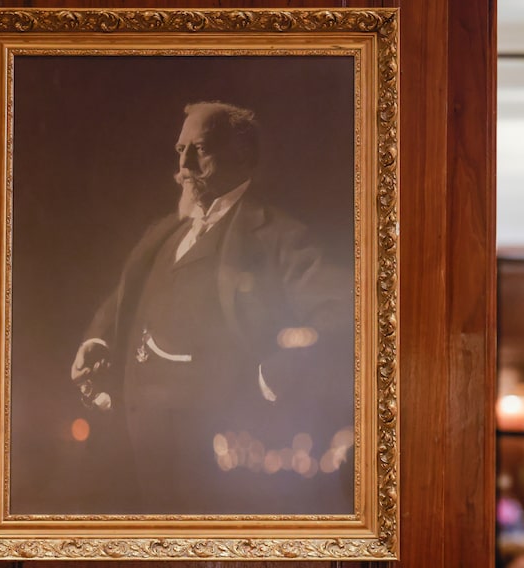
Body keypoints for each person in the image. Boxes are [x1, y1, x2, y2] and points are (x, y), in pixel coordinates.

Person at [69, 101, 353, 515]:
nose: (183, 163)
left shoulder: (277, 235)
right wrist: (98, 338)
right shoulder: (164, 231)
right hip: (136, 449)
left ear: (241, 156)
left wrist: (274, 375)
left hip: (224, 464)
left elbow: (340, 314)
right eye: (179, 149)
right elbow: (125, 296)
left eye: (199, 150)